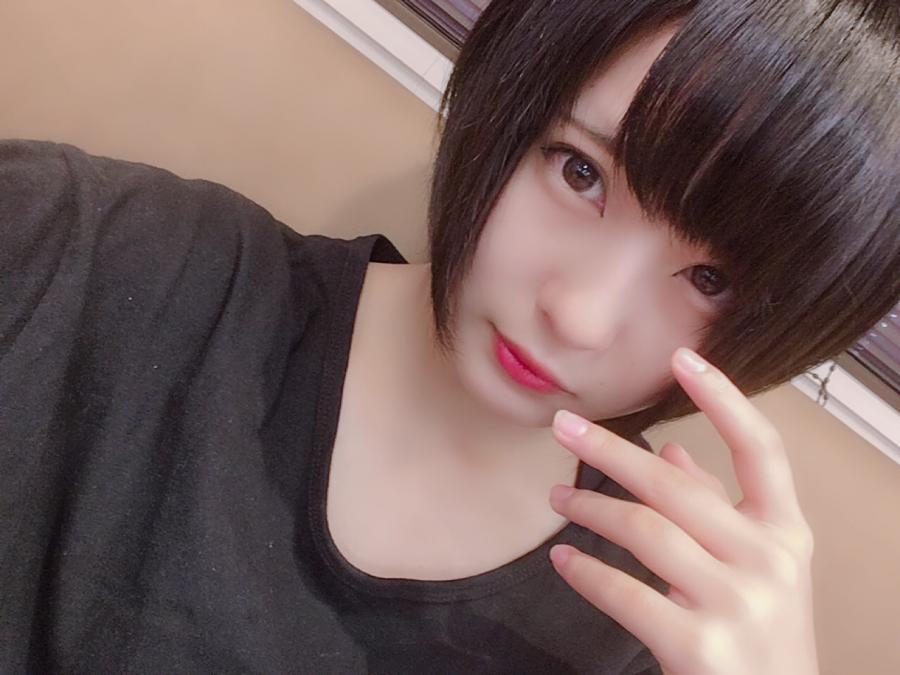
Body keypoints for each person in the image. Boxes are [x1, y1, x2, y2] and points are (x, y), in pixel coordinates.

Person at [1, 0, 897, 673]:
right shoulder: (80, 254)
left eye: (710, 280)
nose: (580, 315)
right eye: (580, 172)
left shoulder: (660, 632)